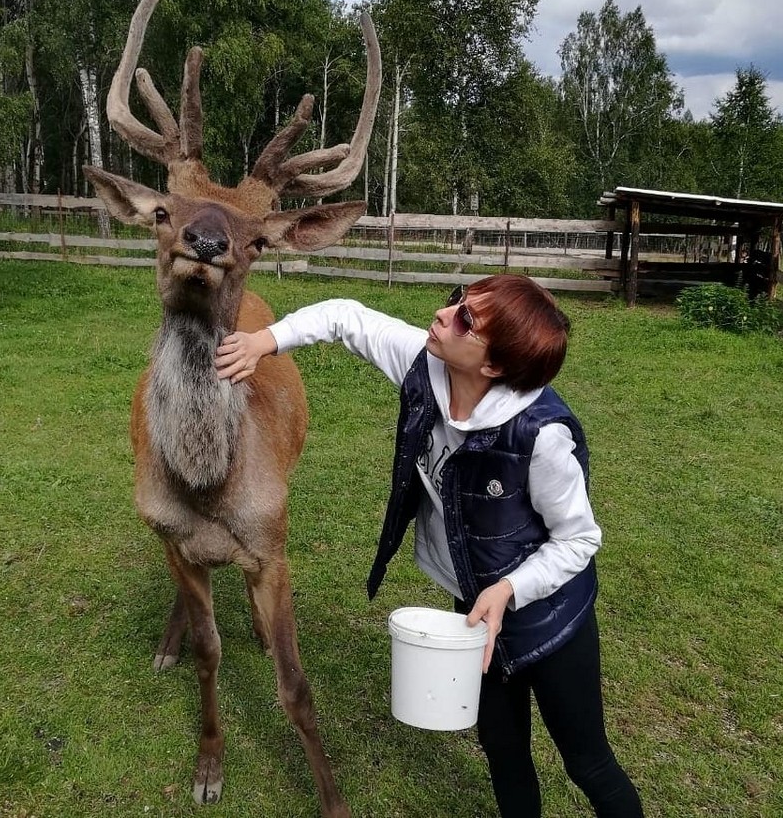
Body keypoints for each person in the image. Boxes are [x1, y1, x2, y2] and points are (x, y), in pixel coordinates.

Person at [214, 275, 643, 818]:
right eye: (458, 300)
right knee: (504, 753)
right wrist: (263, 341)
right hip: (475, 615)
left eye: (468, 320)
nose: (446, 315)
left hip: (550, 621)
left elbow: (579, 539)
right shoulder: (427, 365)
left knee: (588, 763)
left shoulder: (539, 437)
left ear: (492, 366)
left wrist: (510, 589)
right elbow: (347, 318)